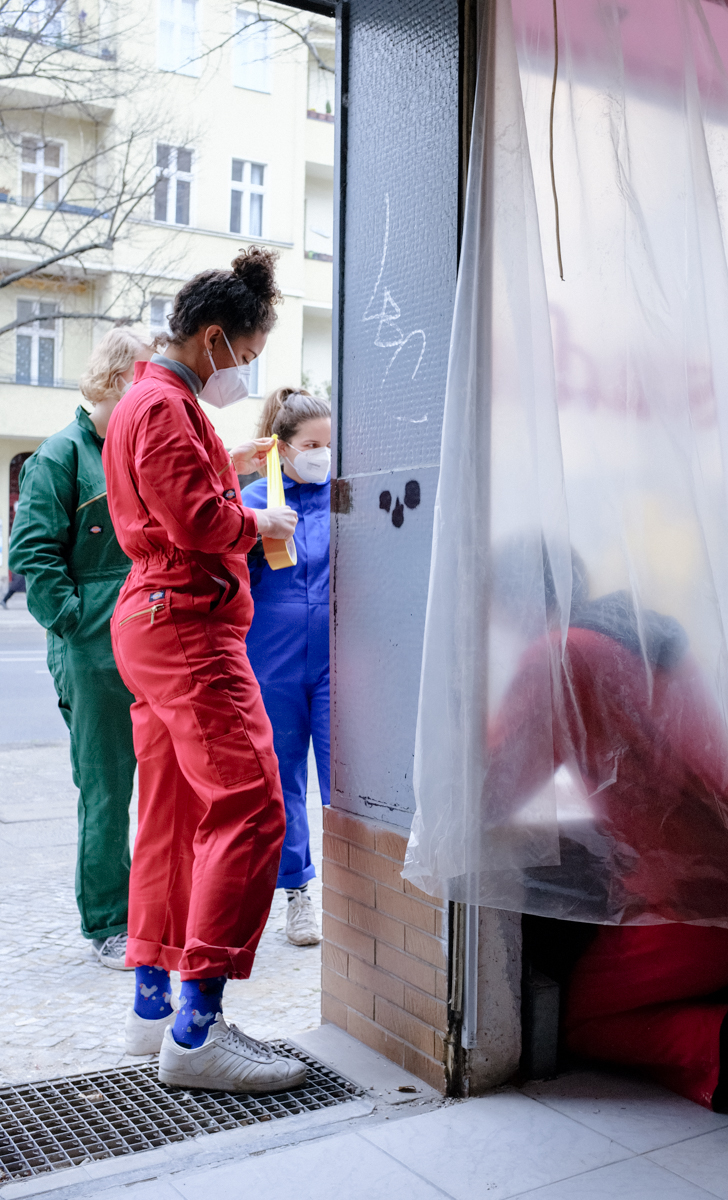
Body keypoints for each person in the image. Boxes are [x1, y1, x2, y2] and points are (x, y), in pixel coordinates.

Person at [486, 563, 728, 1142]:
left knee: (576, 1017)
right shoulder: (642, 637)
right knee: (655, 984)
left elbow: (492, 786)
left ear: (514, 608)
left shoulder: (557, 656)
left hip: (703, 911)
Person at [103, 247, 308, 1094]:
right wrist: (256, 520)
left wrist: (230, 458)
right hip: (187, 622)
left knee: (176, 815)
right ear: (216, 339)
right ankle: (199, 1027)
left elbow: (175, 487)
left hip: (154, 622)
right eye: (248, 355)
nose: (246, 369)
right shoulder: (163, 407)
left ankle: (155, 1013)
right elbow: (194, 521)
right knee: (254, 805)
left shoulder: (146, 401)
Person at [9, 328, 153, 968]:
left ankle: (151, 913)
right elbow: (32, 556)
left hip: (150, 635)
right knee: (106, 788)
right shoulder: (60, 457)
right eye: (146, 378)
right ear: (123, 378)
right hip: (93, 645)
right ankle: (108, 923)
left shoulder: (135, 448)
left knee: (163, 788)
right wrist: (75, 620)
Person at [242, 389, 331, 948]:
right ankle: (299, 893)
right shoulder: (252, 498)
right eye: (312, 445)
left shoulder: (346, 497)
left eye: (329, 444)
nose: (323, 455)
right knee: (282, 778)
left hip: (336, 662)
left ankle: (361, 887)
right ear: (282, 448)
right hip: (269, 656)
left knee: (343, 778)